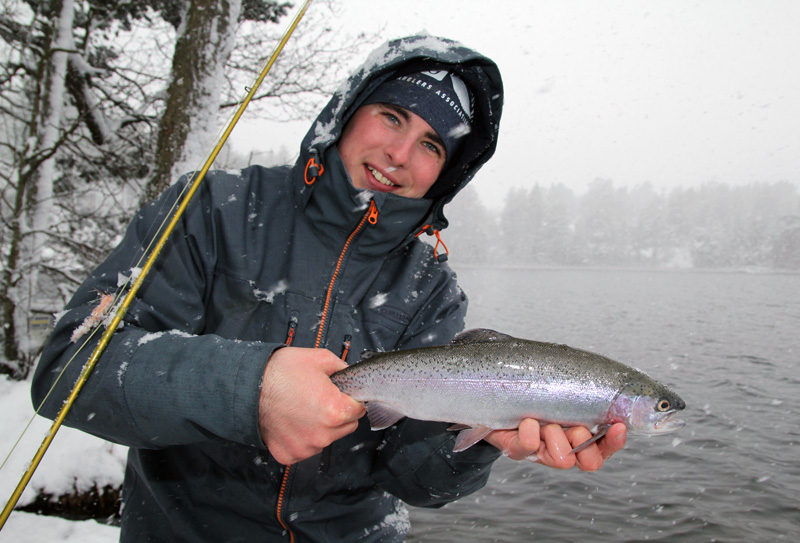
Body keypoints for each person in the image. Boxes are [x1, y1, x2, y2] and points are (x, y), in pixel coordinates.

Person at [32, 35, 626, 542]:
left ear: (445, 174)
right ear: (346, 113)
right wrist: (251, 391)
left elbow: (414, 478)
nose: (399, 153)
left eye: (431, 145)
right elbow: (71, 370)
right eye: (392, 117)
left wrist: (480, 437)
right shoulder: (211, 209)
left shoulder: (430, 289)